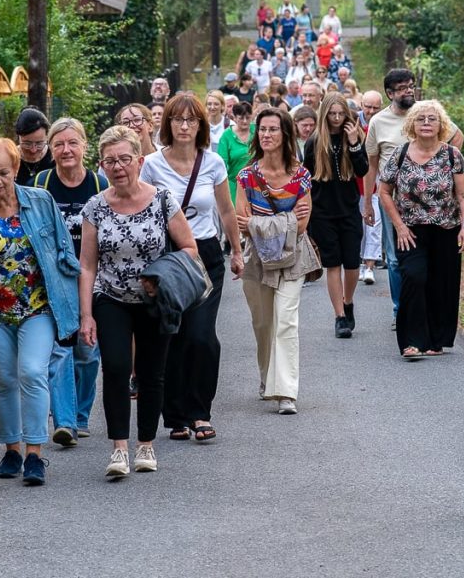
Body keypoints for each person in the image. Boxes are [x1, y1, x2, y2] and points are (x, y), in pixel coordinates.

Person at [0, 137, 79, 486]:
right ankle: (11, 449)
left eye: (4, 173)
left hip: (37, 308)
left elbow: (65, 254)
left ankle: (35, 454)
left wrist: (75, 306)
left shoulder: (40, 203)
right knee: (4, 380)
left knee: (33, 371)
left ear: (16, 169)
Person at [78, 126, 198, 479]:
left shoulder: (162, 199)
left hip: (154, 299)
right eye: (110, 161)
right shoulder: (95, 207)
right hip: (111, 297)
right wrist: (86, 315)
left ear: (140, 161)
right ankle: (119, 449)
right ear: (102, 166)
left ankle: (146, 443)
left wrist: (159, 275)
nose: (118, 167)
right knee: (115, 367)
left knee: (151, 373)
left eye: (125, 159)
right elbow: (87, 265)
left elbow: (189, 248)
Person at [140, 94, 243, 442]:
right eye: (177, 120)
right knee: (173, 334)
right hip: (168, 257)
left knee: (201, 337)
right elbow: (143, 212)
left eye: (192, 120)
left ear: (201, 125)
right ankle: (177, 416)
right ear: (167, 124)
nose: (184, 126)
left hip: (206, 256)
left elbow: (226, 211)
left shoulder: (212, 162)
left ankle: (200, 411)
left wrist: (237, 251)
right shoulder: (152, 165)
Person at [364, 69, 463, 330]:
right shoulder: (378, 122)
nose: (409, 90)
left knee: (428, 258)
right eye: (402, 88)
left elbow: (456, 136)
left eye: (411, 86)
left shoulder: (425, 113)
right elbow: (371, 166)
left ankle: (425, 309)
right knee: (396, 258)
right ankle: (401, 310)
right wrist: (367, 202)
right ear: (390, 93)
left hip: (432, 203)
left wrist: (441, 168)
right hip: (393, 200)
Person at [236, 108, 318, 415]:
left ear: (286, 134)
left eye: (273, 129)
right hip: (256, 260)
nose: (266, 135)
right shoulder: (246, 176)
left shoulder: (301, 175)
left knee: (286, 320)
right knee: (263, 324)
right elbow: (242, 221)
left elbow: (302, 224)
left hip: (292, 258)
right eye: (262, 129)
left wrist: (262, 223)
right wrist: (283, 219)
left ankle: (286, 392)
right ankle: (266, 377)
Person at [31, 119, 107, 445]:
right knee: (60, 350)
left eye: (72, 143)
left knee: (87, 352)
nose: (66, 150)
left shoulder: (100, 184)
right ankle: (65, 421)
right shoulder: (41, 183)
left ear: (85, 146)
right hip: (53, 280)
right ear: (51, 148)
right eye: (59, 144)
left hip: (92, 278)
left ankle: (81, 414)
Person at [378, 101, 464, 358]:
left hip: (446, 228)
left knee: (441, 283)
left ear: (441, 125)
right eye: (421, 119)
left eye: (432, 119)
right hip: (411, 231)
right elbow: (384, 191)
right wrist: (398, 225)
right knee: (414, 276)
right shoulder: (400, 153)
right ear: (412, 125)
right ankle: (411, 341)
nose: (427, 123)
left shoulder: (453, 154)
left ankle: (435, 340)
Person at [303, 93, 368, 338]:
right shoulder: (314, 141)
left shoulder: (353, 136)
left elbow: (362, 170)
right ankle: (339, 316)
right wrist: (306, 216)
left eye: (341, 114)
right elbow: (306, 180)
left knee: (352, 263)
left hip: (349, 210)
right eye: (333, 114)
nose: (337, 118)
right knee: (333, 264)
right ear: (325, 114)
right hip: (322, 212)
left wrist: (354, 143)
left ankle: (348, 301)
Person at [357, 90, 384, 283]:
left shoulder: (383, 124)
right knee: (358, 227)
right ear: (361, 105)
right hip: (355, 185)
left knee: (374, 226)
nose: (371, 111)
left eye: (375, 107)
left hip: (377, 185)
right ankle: (358, 263)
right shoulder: (352, 124)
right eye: (368, 106)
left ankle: (369, 266)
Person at [218, 101, 256, 204]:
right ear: (234, 117)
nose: (244, 121)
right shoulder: (226, 136)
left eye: (248, 118)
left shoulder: (257, 130)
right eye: (241, 118)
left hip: (258, 184)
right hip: (235, 185)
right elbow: (221, 164)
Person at [14, 106, 55, 185]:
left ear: (47, 137)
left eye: (39, 143)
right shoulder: (9, 158)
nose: (33, 150)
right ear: (18, 137)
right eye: (27, 144)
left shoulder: (55, 159)